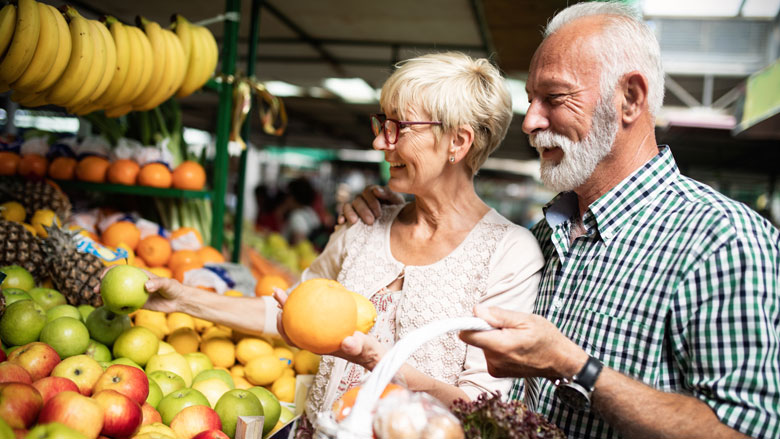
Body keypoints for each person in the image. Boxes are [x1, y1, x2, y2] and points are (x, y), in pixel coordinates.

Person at [342, 3, 780, 439]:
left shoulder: (724, 240)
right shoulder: (545, 236)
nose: (530, 122)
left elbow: (746, 432)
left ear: (629, 98)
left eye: (553, 98)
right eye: (531, 100)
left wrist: (575, 367)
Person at [136, 52, 544, 436]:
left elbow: (480, 408)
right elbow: (289, 314)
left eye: (399, 127)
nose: (380, 144)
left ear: (458, 142)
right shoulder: (364, 224)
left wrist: (376, 360)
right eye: (381, 124)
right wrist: (182, 299)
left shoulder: (509, 253)